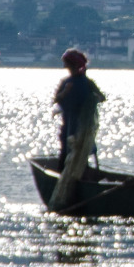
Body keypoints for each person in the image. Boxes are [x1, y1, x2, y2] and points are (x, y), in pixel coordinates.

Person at [50, 49, 105, 211]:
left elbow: (101, 97)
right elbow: (57, 100)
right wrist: (65, 93)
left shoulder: (87, 83)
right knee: (67, 153)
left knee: (82, 153)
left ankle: (78, 182)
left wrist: (93, 99)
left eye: (67, 63)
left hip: (83, 127)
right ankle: (66, 180)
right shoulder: (67, 82)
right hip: (70, 125)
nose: (65, 66)